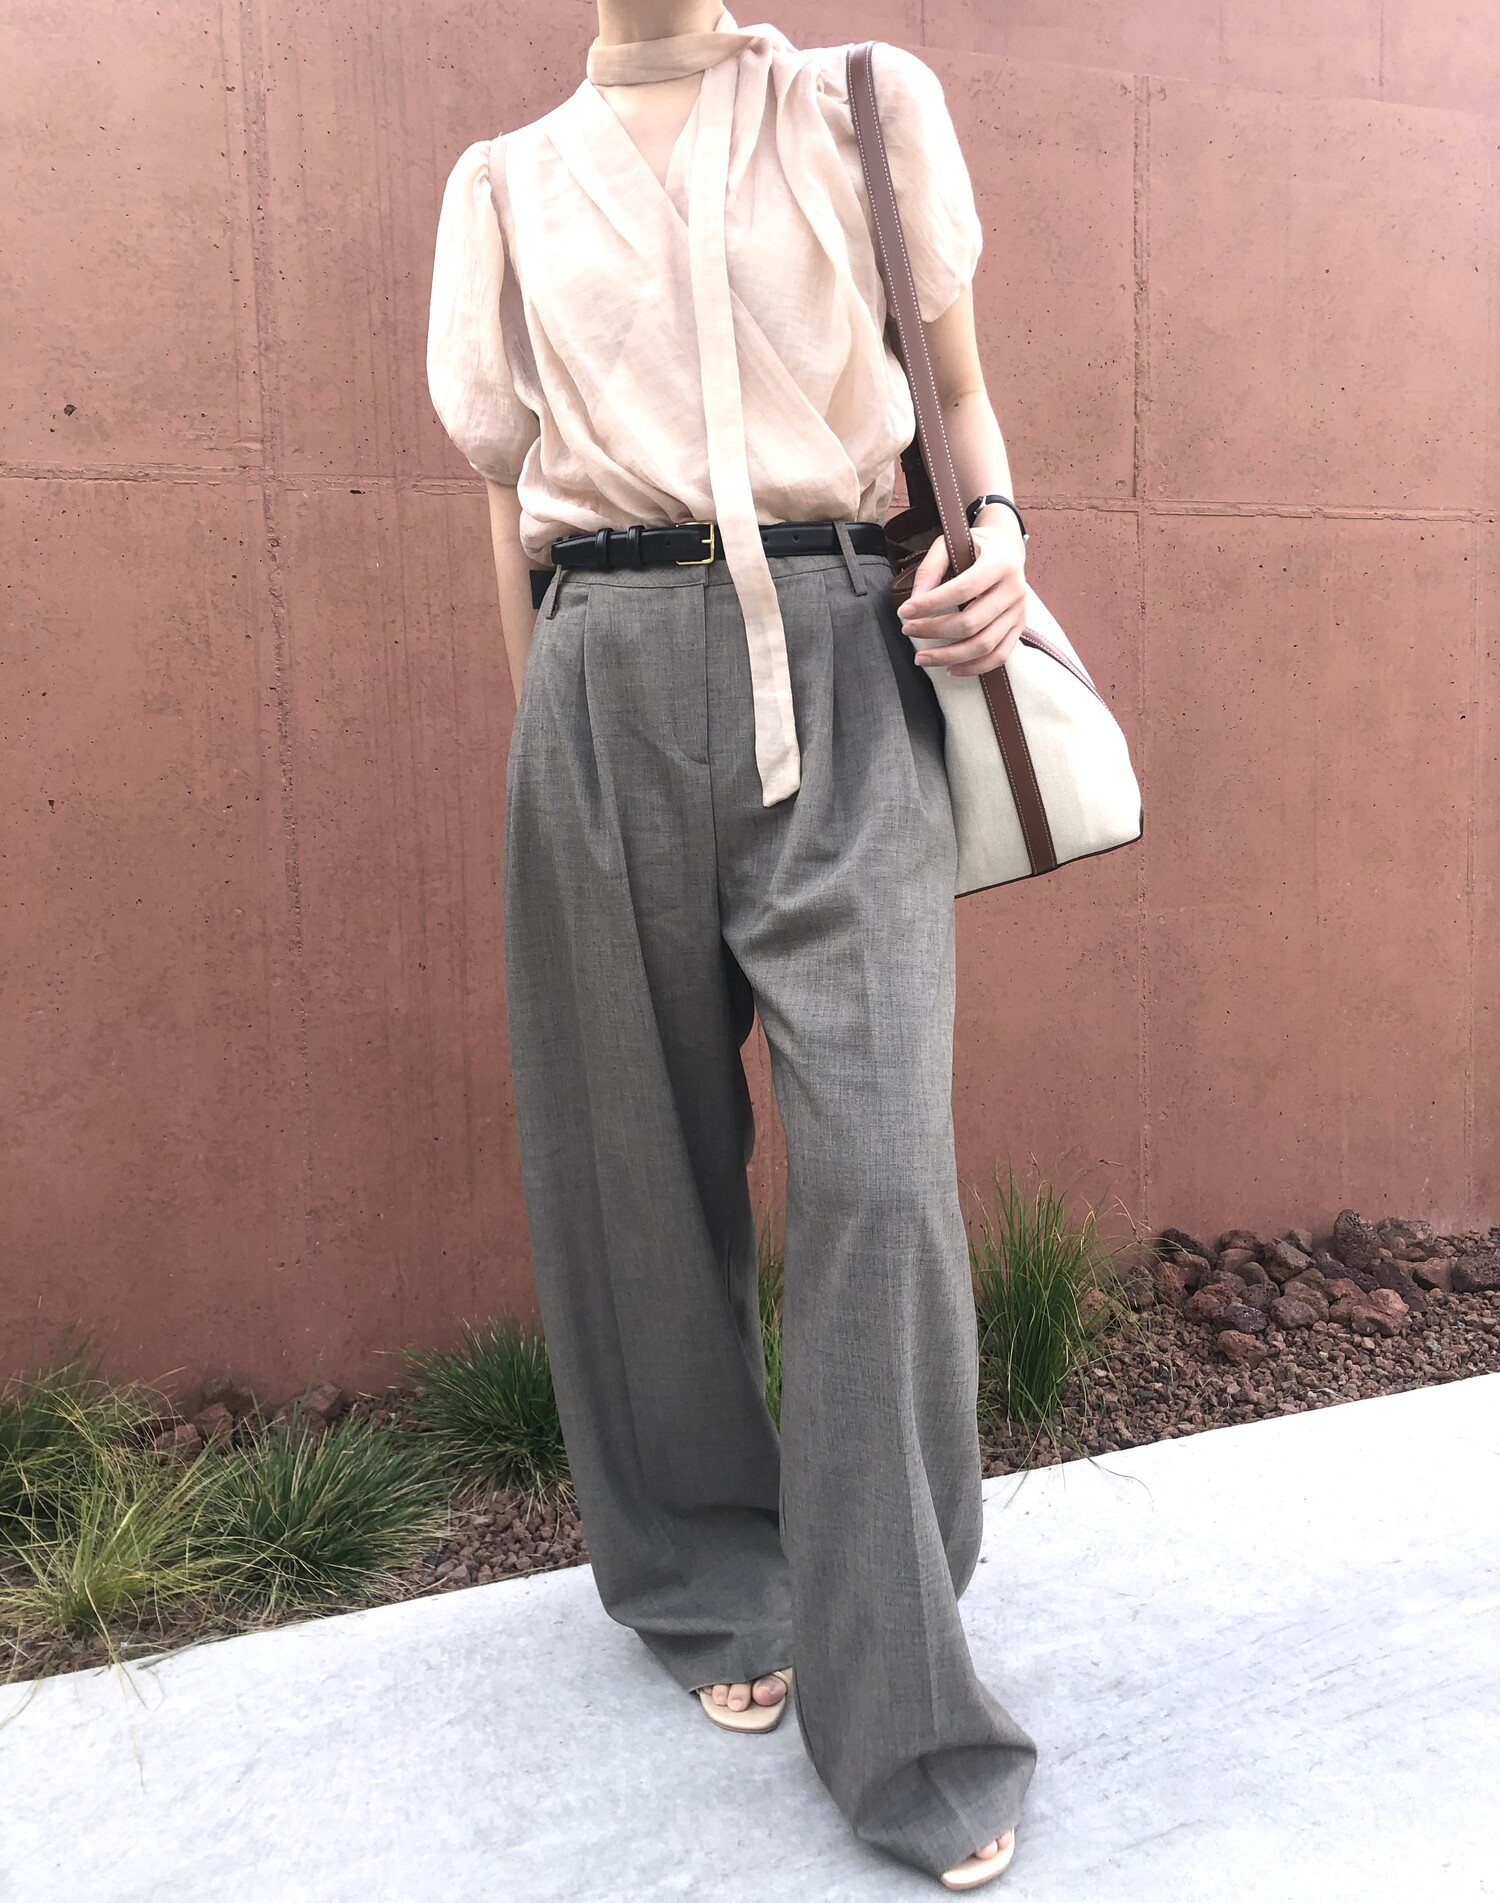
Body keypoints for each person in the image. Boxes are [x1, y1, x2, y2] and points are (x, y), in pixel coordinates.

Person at [425, 2, 1038, 1888]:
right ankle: (705, 1570)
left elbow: (958, 385)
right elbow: (506, 509)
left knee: (881, 1171)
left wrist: (1000, 529)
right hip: (597, 677)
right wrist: (545, 753)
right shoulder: (502, 186)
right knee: (632, 1163)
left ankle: (904, 1690)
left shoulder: (860, 104)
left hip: (848, 657)